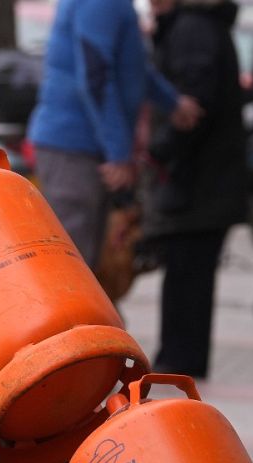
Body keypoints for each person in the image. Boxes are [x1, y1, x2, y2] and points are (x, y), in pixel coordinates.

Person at [27, 0, 201, 269]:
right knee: (72, 266)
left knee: (85, 263)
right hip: (74, 147)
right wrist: (118, 153)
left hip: (84, 146)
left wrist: (172, 102)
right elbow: (95, 75)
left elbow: (131, 65)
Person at [143, 0, 247, 379]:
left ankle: (179, 359)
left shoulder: (192, 29)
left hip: (197, 178)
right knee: (191, 272)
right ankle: (182, 358)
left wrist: (159, 151)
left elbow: (195, 105)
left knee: (187, 273)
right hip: (205, 177)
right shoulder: (200, 26)